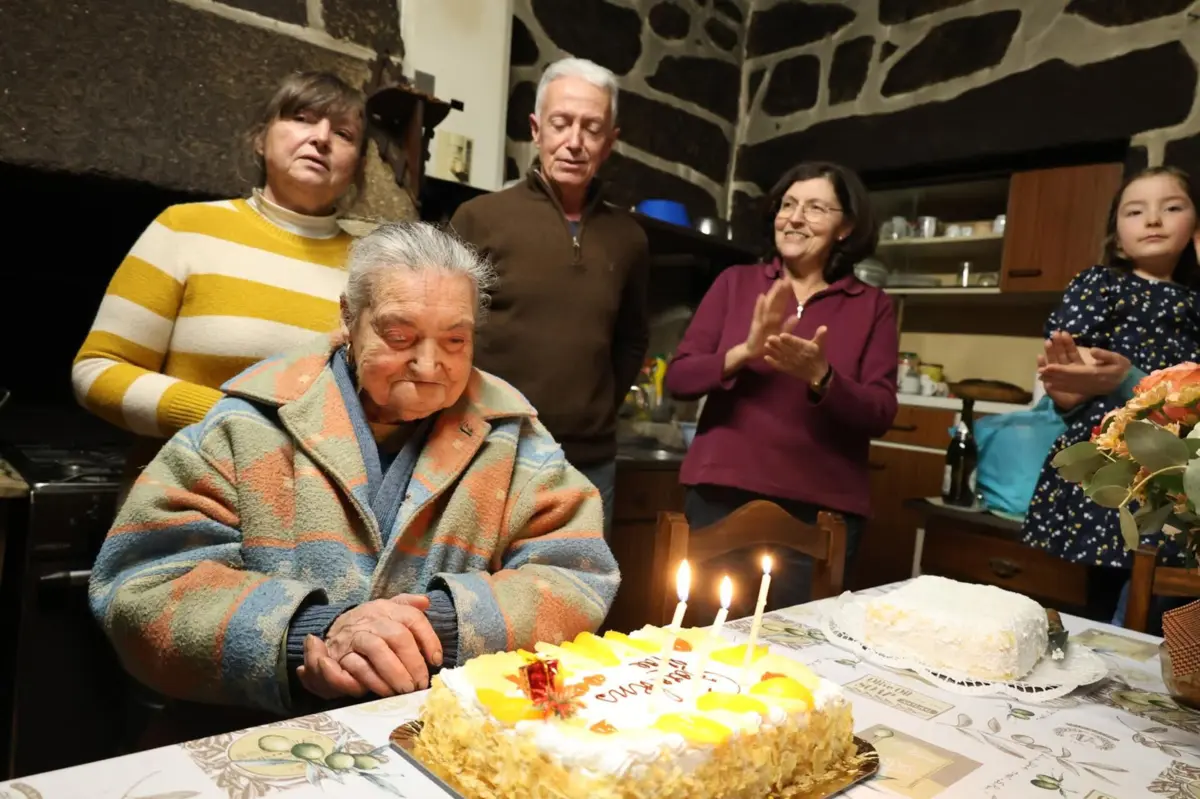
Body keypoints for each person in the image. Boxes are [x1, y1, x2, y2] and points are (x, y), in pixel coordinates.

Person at [89, 222, 619, 720]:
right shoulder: (247, 425)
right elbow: (143, 586)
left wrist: (438, 627)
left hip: (450, 736)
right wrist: (308, 634)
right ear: (349, 317)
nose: (430, 366)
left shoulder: (514, 437)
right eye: (400, 336)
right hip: (263, 743)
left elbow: (577, 571)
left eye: (455, 340)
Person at [72, 71, 366, 450]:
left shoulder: (373, 265)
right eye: (302, 118)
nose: (321, 138)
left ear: (358, 167)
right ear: (261, 139)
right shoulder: (183, 228)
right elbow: (96, 371)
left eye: (343, 134)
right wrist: (231, 420)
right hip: (185, 496)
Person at [664, 161, 898, 616]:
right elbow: (680, 379)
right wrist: (744, 352)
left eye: (814, 208)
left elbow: (881, 412)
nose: (794, 218)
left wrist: (822, 377)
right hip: (720, 496)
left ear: (845, 227)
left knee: (797, 652)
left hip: (821, 513)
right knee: (701, 639)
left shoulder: (873, 307)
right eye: (787, 205)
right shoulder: (735, 283)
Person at [449, 57, 650, 536]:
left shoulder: (629, 238)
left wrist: (592, 410)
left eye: (592, 128)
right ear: (537, 130)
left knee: (579, 600)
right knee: (477, 599)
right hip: (488, 452)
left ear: (610, 141)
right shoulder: (480, 218)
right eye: (561, 123)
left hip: (587, 465)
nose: (575, 142)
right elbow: (446, 330)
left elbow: (630, 342)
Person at [1023, 166, 1200, 629]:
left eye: (1172, 207)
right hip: (1112, 451)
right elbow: (1072, 356)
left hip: (1181, 464)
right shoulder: (1102, 283)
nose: (1154, 219)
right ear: (1118, 236)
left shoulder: (1195, 301)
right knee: (1105, 582)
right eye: (1136, 211)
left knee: (1161, 582)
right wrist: (1072, 383)